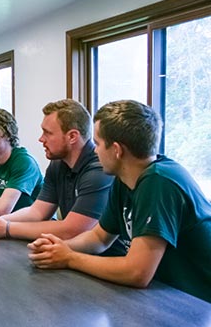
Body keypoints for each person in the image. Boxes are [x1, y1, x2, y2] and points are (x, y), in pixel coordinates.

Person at [28, 100, 211, 305]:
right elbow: (99, 237)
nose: (94, 151)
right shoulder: (124, 178)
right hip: (164, 296)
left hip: (198, 305)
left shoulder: (159, 182)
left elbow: (137, 272)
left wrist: (69, 258)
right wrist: (60, 248)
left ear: (117, 150)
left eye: (97, 144)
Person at [0, 99, 127, 255]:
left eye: (48, 133)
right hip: (73, 253)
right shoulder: (58, 164)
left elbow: (71, 230)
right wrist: (1, 221)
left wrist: (6, 228)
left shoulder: (99, 170)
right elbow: (37, 212)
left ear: (72, 136)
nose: (41, 139)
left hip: (107, 261)